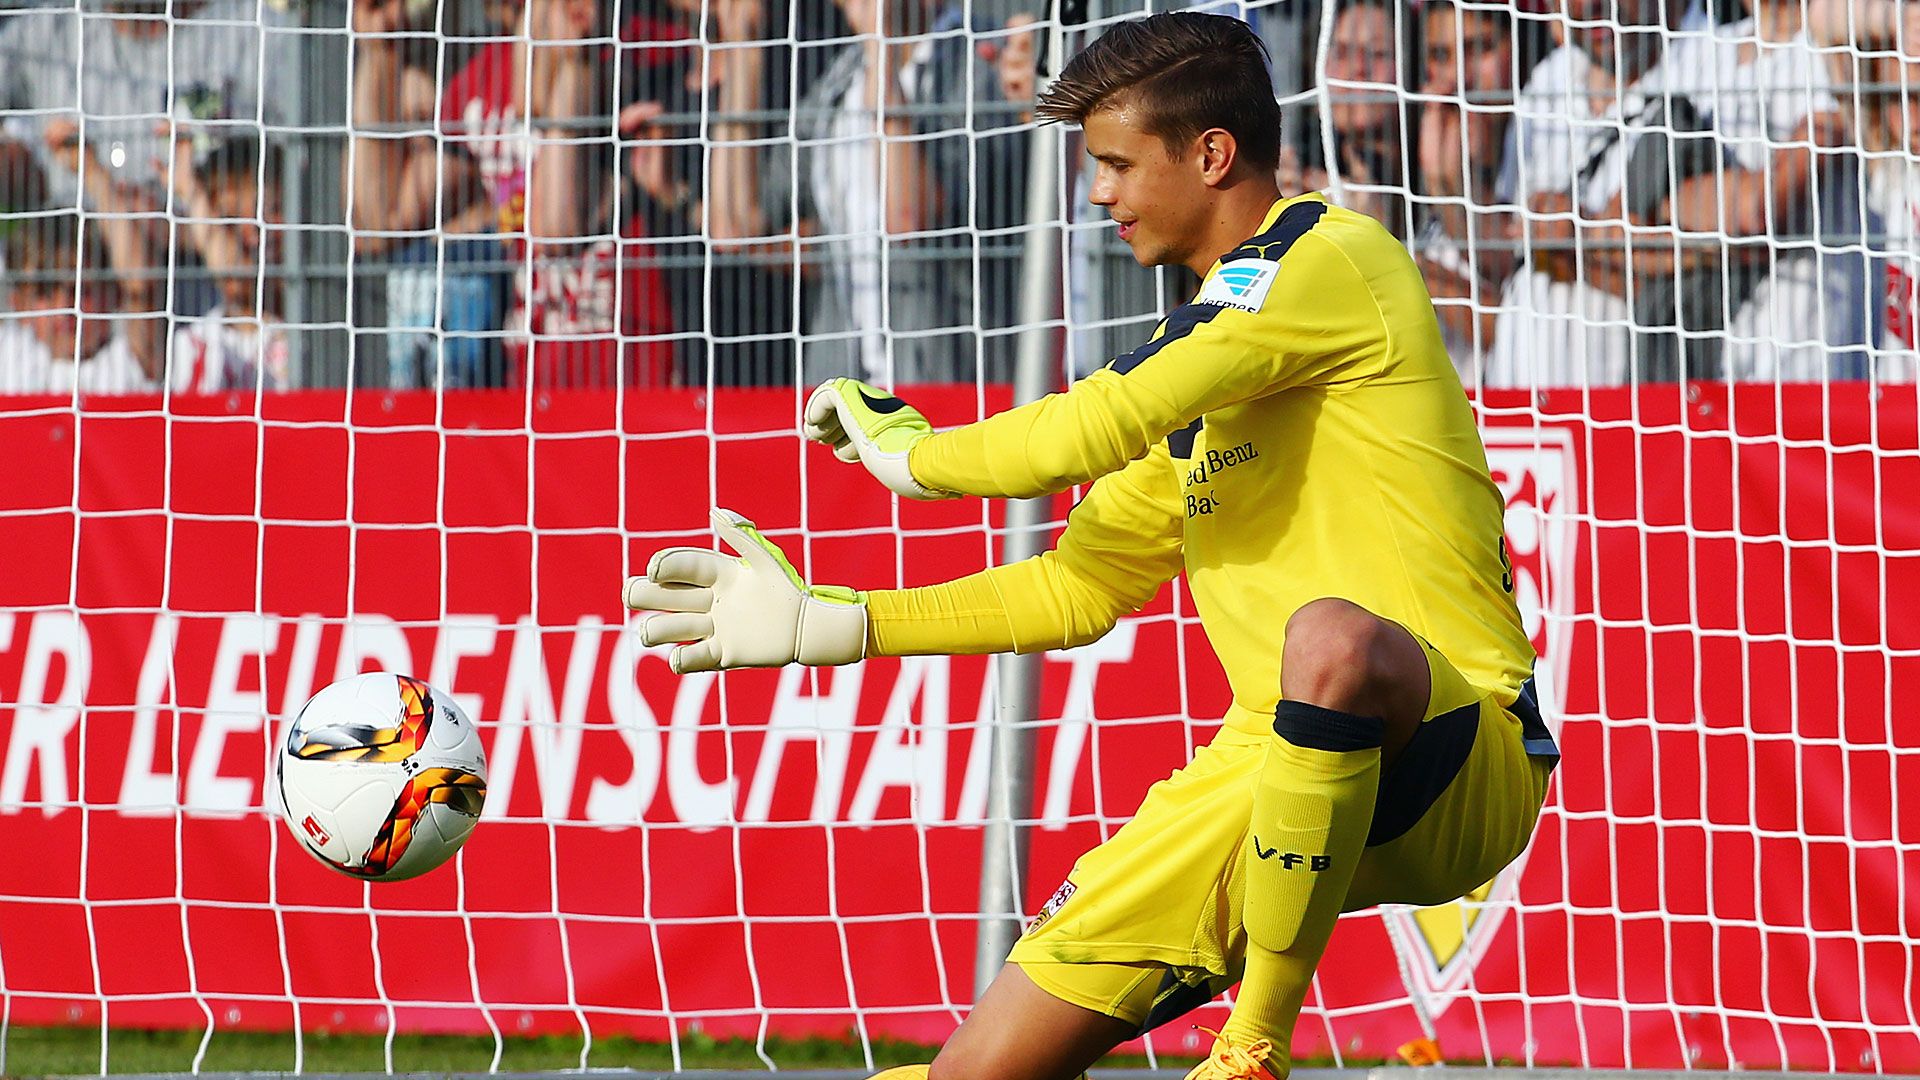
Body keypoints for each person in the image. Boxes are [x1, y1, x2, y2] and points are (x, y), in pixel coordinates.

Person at [624, 13, 1556, 1080]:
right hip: (1271, 776)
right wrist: (835, 621)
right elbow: (1078, 585)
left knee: (1332, 641)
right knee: (973, 1071)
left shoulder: (1331, 259)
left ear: (1210, 155)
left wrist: (916, 456)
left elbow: (1085, 428)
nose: (1098, 194)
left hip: (1460, 752)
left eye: (1115, 164)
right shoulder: (1214, 374)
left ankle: (1253, 1043)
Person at [1410, 0, 1546, 381]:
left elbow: (1525, 324)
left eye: (1480, 48)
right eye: (1441, 55)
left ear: (1519, 49)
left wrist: (1448, 192)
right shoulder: (1407, 160)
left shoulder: (1550, 149)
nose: (1457, 78)